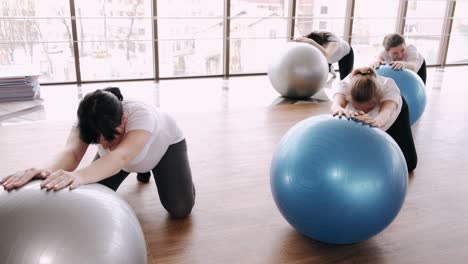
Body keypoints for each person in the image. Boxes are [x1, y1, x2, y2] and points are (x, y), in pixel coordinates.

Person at [0, 87, 195, 219]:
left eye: (111, 137)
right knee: (92, 199)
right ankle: (141, 169)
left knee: (180, 210)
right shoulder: (88, 121)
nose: (105, 145)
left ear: (124, 119)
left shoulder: (142, 116)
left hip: (163, 149)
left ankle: (158, 172)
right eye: (97, 141)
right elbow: (72, 153)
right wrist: (43, 171)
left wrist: (78, 176)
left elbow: (121, 156)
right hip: (121, 159)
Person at [331, 67, 417, 172]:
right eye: (357, 107)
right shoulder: (345, 85)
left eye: (367, 108)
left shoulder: (389, 87)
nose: (363, 111)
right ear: (349, 98)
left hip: (392, 113)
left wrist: (377, 121)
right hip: (364, 113)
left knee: (410, 163)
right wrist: (341, 111)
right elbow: (336, 106)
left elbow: (386, 112)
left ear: (376, 100)